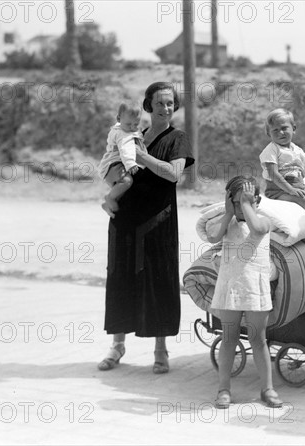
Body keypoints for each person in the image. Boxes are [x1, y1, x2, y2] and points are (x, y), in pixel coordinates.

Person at [98, 82, 194, 374]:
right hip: (126, 219)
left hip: (158, 221)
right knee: (120, 277)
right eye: (160, 103)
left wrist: (141, 157)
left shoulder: (176, 138)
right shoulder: (132, 133)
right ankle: (117, 345)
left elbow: (174, 173)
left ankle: (160, 350)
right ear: (148, 105)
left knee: (159, 281)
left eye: (170, 103)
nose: (165, 108)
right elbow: (111, 162)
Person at [207, 176, 282, 409]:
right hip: (230, 288)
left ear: (256, 202)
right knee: (228, 339)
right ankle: (223, 389)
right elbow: (212, 237)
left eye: (246, 202)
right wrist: (229, 212)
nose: (241, 208)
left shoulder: (263, 221)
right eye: (236, 203)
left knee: (258, 339)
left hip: (255, 288)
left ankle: (267, 389)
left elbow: (257, 230)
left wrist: (247, 205)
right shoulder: (227, 223)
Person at [97, 102, 149, 218]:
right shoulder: (122, 133)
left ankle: (107, 204)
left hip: (115, 165)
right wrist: (130, 164)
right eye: (129, 124)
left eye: (136, 124)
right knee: (127, 181)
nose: (132, 127)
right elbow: (126, 148)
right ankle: (109, 198)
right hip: (115, 164)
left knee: (123, 191)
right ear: (118, 119)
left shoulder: (122, 129)